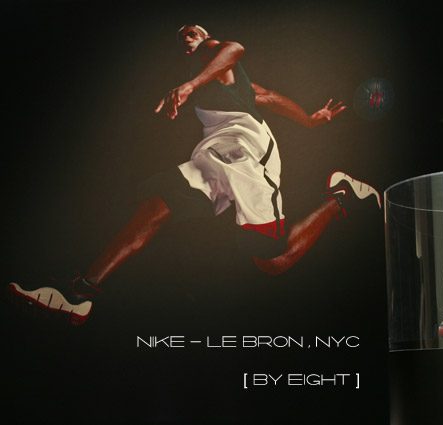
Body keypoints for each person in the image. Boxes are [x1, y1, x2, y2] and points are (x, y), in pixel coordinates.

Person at [11, 25, 367, 325]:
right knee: (157, 205)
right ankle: (81, 291)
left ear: (205, 37)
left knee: (272, 260)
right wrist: (309, 120)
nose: (187, 37)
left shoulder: (212, 55)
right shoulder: (216, 76)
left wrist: (190, 86)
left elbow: (235, 48)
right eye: (182, 36)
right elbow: (268, 96)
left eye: (193, 32)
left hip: (247, 151)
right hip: (213, 152)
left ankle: (340, 196)